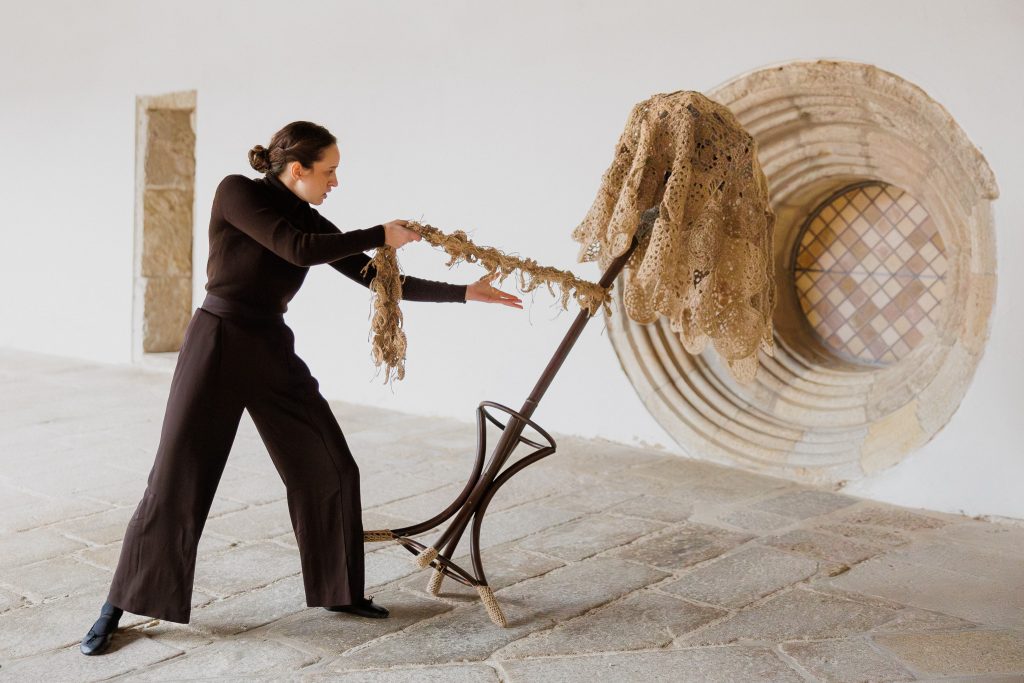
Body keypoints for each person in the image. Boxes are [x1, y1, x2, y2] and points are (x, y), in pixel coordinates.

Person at [80, 120, 523, 656]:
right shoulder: (237, 193)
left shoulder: (310, 219)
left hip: (269, 346)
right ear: (297, 169)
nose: (335, 182)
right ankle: (116, 606)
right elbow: (294, 249)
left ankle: (339, 591)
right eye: (329, 171)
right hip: (218, 341)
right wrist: (378, 233)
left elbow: (376, 278)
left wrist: (465, 292)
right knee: (178, 477)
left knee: (330, 466)